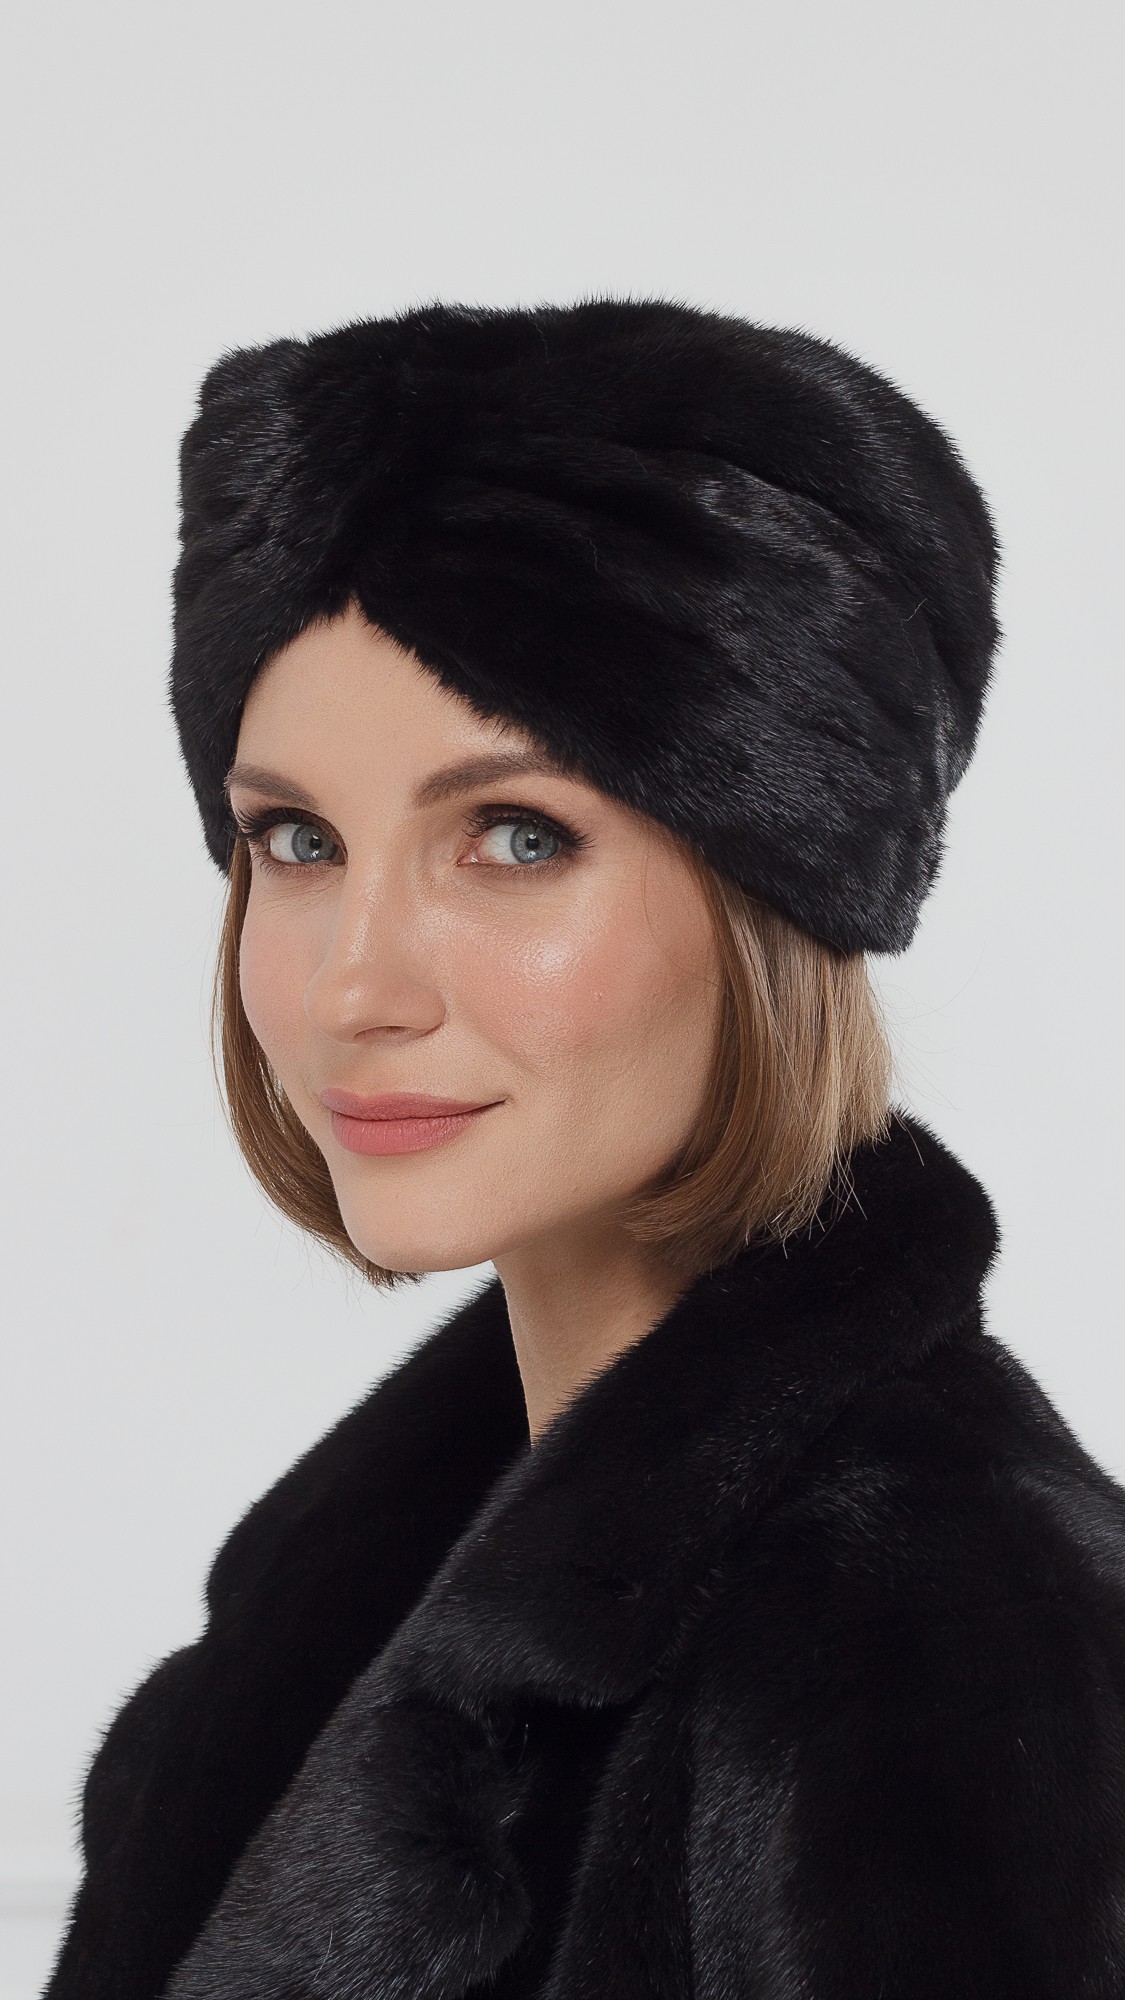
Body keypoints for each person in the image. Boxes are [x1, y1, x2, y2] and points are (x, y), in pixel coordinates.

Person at [44, 296, 1125, 2000]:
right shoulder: (371, 1579)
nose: (353, 986)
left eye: (516, 835)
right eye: (298, 840)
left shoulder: (923, 1633)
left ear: (773, 900)